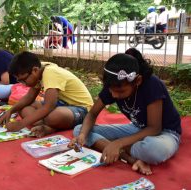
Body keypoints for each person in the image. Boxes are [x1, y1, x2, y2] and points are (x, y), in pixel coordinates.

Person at [68, 48, 181, 176]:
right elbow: (92, 114)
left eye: (120, 92)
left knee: (153, 151)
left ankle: (114, 146)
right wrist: (82, 136)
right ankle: (129, 157)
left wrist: (119, 143)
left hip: (165, 132)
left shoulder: (152, 84)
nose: (114, 95)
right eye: (111, 91)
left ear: (137, 81)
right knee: (79, 130)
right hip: (137, 128)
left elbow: (154, 128)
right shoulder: (114, 85)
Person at [0, 51, 93, 137]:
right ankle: (47, 125)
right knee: (23, 107)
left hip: (82, 109)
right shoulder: (39, 69)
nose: (23, 84)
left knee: (53, 116)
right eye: (19, 80)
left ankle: (51, 126)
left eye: (23, 79)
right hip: (61, 104)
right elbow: (30, 97)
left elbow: (48, 107)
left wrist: (20, 124)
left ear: (35, 70)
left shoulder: (50, 73)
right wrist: (11, 111)